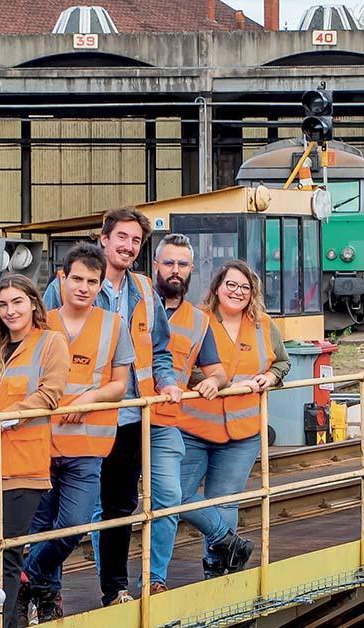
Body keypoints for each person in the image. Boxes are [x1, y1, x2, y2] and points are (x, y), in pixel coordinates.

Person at [42, 206, 180, 607]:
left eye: (137, 240)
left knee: (120, 506)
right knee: (56, 511)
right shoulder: (72, 283)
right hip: (70, 417)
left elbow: (160, 350)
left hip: (128, 414)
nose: (129, 246)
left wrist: (167, 383)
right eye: (122, 237)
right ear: (104, 239)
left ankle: (114, 589)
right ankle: (47, 590)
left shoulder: (144, 291)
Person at [19, 243, 134, 623]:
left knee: (74, 523)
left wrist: (89, 397)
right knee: (39, 527)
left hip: (87, 445)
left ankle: (25, 578)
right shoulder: (40, 325)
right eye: (78, 279)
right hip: (38, 443)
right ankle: (47, 599)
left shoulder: (113, 325)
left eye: (93, 281)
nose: (84, 287)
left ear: (101, 285)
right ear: (61, 279)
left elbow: (120, 384)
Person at [0, 274, 70, 628]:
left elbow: (51, 393)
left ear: (33, 303)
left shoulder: (51, 343)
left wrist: (9, 417)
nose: (10, 311)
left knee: (5, 553)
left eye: (17, 302)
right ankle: (10, 620)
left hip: (21, 464)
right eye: (3, 304)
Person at [177, 260, 290, 579]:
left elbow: (282, 363)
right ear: (216, 288)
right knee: (176, 495)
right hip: (195, 428)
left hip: (242, 432)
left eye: (245, 287)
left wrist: (271, 377)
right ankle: (226, 541)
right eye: (231, 285)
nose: (237, 292)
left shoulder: (263, 325)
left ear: (252, 293)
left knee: (225, 501)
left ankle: (218, 570)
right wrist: (214, 382)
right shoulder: (197, 322)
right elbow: (184, 367)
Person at [145, 234, 229, 594]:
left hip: (165, 422)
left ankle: (156, 579)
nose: (175, 270)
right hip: (118, 419)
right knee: (105, 511)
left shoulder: (198, 321)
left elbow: (218, 370)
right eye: (168, 263)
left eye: (182, 264)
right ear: (155, 266)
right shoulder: (135, 303)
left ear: (192, 269)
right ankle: (112, 587)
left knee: (167, 500)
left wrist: (214, 381)